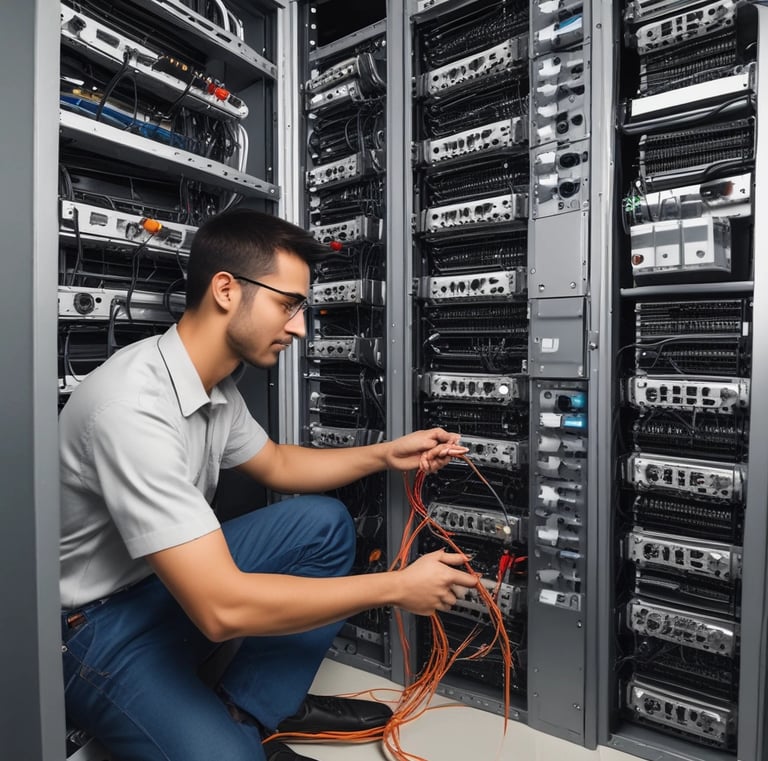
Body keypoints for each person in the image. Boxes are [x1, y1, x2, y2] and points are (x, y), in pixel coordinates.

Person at [59, 208, 477, 761]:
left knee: (322, 526)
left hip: (158, 583)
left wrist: (385, 454)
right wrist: (396, 587)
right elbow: (220, 610)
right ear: (226, 290)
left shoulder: (214, 385)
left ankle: (254, 711)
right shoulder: (131, 407)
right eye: (288, 304)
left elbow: (277, 464)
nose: (299, 326)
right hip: (92, 626)